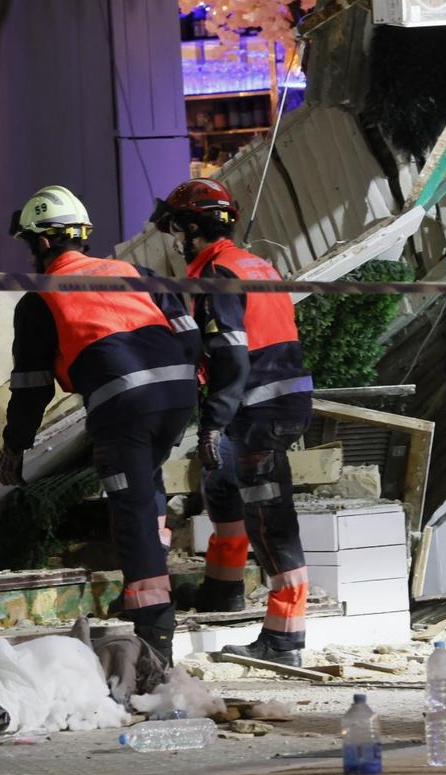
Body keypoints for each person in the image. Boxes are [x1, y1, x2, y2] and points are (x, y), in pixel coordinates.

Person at [0, 185, 199, 664]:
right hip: (177, 394)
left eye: (29, 244)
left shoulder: (40, 298)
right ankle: (141, 590)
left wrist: (14, 445)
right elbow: (189, 338)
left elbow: (31, 387)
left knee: (129, 513)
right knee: (145, 486)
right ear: (82, 236)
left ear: (42, 243)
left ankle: (154, 636)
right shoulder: (136, 273)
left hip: (123, 405)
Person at [150, 178, 313, 667]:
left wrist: (214, 422)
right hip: (273, 401)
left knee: (269, 519)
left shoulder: (218, 273)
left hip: (257, 408)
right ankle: (223, 590)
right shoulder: (252, 263)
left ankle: (284, 641)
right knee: (221, 485)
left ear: (194, 227)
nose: (175, 240)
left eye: (177, 228)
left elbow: (231, 355)